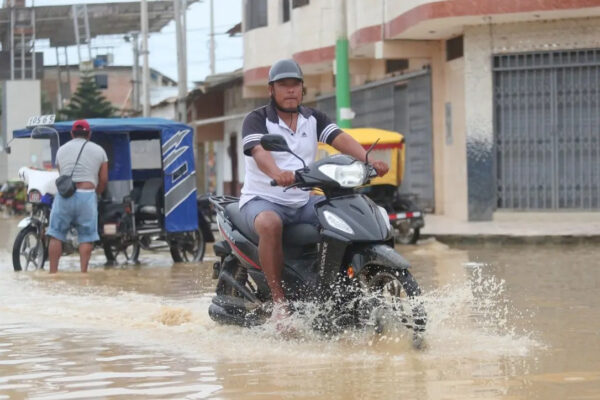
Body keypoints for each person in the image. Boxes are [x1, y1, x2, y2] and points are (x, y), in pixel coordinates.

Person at [240, 59, 389, 322]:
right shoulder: (257, 119)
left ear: (302, 88)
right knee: (270, 223)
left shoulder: (313, 118)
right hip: (264, 198)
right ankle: (279, 303)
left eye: (295, 85)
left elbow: (339, 139)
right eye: (283, 85)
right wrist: (277, 174)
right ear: (271, 89)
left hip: (303, 199)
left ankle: (334, 291)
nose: (290, 90)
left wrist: (368, 161)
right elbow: (258, 151)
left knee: (345, 217)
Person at [47, 120, 108, 273]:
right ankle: (83, 274)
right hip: (87, 196)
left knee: (55, 235)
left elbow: (62, 176)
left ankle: (53, 274)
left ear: (72, 134)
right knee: (86, 237)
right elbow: (104, 179)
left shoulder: (61, 150)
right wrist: (97, 193)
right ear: (89, 134)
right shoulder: (100, 151)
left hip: (64, 196)